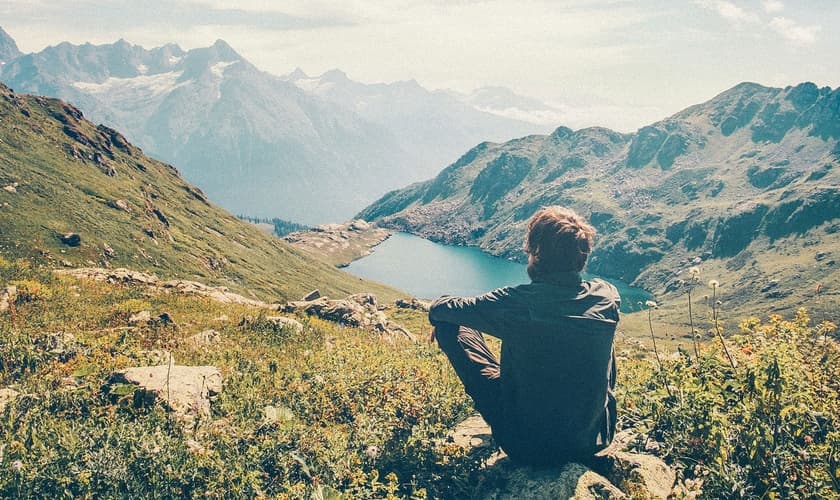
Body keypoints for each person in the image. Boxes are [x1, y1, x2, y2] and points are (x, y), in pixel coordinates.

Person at [429, 206, 620, 466]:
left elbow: (440, 308)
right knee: (599, 332)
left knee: (449, 326)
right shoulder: (606, 296)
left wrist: (444, 321)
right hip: (594, 439)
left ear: (536, 253)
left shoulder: (516, 303)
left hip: (528, 446)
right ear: (582, 257)